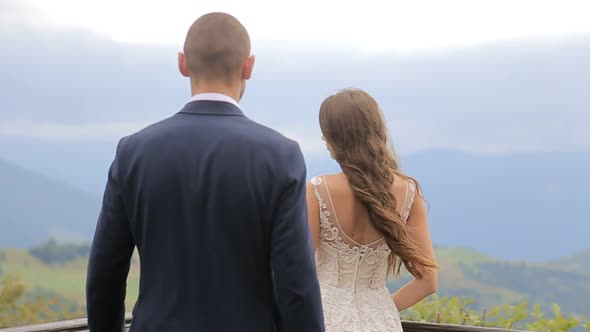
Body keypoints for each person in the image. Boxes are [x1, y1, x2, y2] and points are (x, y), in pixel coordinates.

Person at [86, 12, 324, 332]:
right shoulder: (280, 156)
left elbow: (104, 275)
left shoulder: (133, 152)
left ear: (183, 63)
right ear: (248, 66)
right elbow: (295, 285)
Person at [307, 88, 439, 331]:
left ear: (334, 138)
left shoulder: (318, 189)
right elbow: (428, 282)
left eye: (326, 134)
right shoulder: (409, 191)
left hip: (325, 319)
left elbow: (299, 270)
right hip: (382, 323)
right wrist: (379, 309)